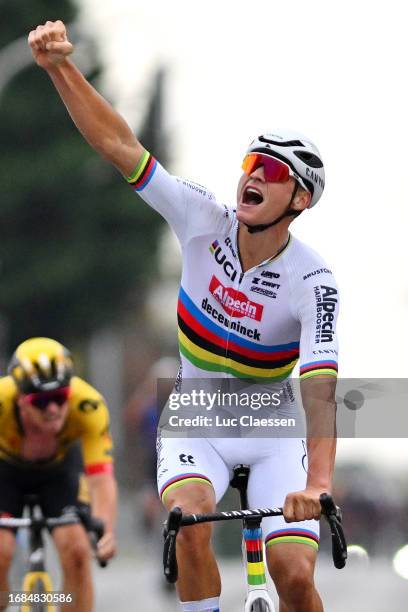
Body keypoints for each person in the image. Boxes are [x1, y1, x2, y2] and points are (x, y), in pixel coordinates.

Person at [28, 21, 339, 612]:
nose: (253, 176)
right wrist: (59, 68)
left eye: (273, 173)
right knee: (189, 522)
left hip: (275, 430)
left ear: (300, 200)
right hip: (197, 418)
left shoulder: (313, 280)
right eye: (252, 162)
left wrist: (318, 485)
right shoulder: (201, 217)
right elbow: (122, 147)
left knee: (295, 574)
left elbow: (320, 386)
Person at [0, 337, 117, 612]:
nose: (53, 409)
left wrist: (106, 531)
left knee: (77, 549)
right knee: (1, 550)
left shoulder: (88, 405)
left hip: (59, 472)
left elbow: (101, 478)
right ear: (20, 401)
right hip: (5, 472)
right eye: (41, 401)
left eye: (59, 397)